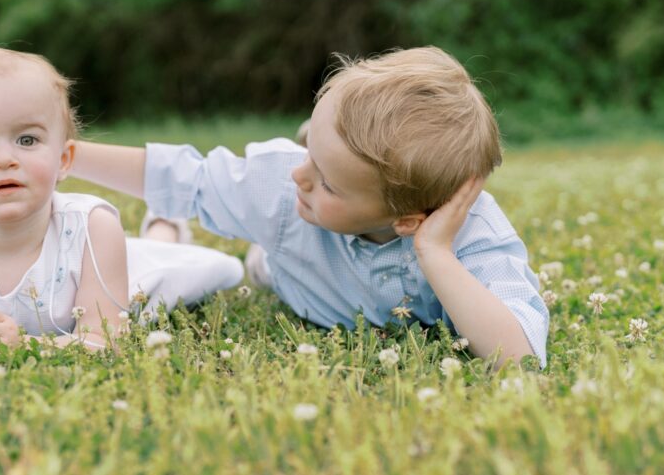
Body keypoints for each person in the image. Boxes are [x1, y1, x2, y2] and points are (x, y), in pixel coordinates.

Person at [70, 47, 548, 369]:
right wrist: (64, 157)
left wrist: (437, 252)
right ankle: (167, 226)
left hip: (306, 255)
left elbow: (520, 359)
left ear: (408, 219)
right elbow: (179, 175)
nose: (301, 177)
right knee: (251, 263)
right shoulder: (284, 183)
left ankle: (174, 231)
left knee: (251, 254)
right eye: (310, 156)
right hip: (286, 270)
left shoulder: (473, 234)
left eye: (329, 183)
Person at [0, 45, 243, 362]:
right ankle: (162, 224)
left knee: (193, 265)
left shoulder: (92, 228)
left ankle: (165, 226)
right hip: (99, 268)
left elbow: (105, 343)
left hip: (123, 279)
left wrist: (23, 348)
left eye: (27, 140)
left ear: (65, 159)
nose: (3, 159)